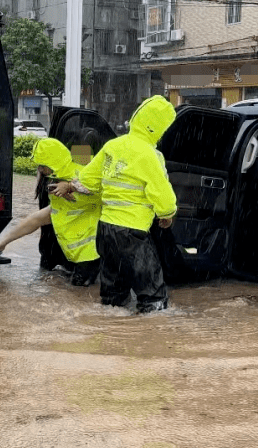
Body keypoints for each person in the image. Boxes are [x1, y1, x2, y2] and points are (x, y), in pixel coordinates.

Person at [51, 95, 178, 313]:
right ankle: (150, 338)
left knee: (112, 294)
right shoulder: (150, 154)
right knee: (152, 298)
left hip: (106, 230)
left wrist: (70, 185)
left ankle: (110, 336)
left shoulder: (113, 145)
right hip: (133, 233)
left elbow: (88, 179)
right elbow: (161, 191)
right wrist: (167, 214)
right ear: (158, 127)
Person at [0, 138, 102, 286]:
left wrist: (70, 186)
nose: (40, 169)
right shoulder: (57, 178)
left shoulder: (82, 172)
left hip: (91, 256)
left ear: (53, 162)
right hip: (76, 254)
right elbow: (33, 220)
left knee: (79, 292)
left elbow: (102, 184)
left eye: (42, 166)